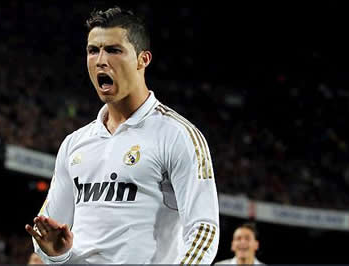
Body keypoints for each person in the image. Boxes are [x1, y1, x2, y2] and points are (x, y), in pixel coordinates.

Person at [25, 6, 219, 264]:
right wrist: (55, 253)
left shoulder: (177, 135)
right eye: (93, 50)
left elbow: (204, 228)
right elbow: (46, 233)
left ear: (143, 59)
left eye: (114, 50)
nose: (101, 60)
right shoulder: (74, 144)